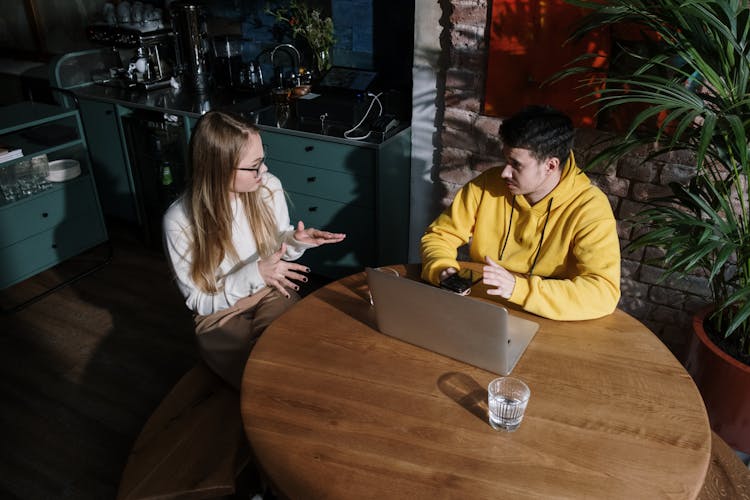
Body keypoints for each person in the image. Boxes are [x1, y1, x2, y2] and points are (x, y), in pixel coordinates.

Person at [163, 111, 346, 388]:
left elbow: (276, 253)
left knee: (293, 356)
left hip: (270, 293)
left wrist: (296, 241)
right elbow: (199, 301)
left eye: (263, 159)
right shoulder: (179, 221)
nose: (264, 171)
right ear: (219, 168)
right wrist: (256, 273)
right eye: (254, 166)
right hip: (219, 315)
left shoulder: (267, 187)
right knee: (264, 377)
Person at [421, 105, 620, 320]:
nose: (505, 172)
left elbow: (603, 292)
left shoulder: (590, 208)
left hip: (551, 317)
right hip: (482, 307)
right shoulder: (487, 184)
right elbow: (440, 235)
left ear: (550, 166)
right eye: (506, 160)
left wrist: (519, 288)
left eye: (516, 164)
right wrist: (442, 268)